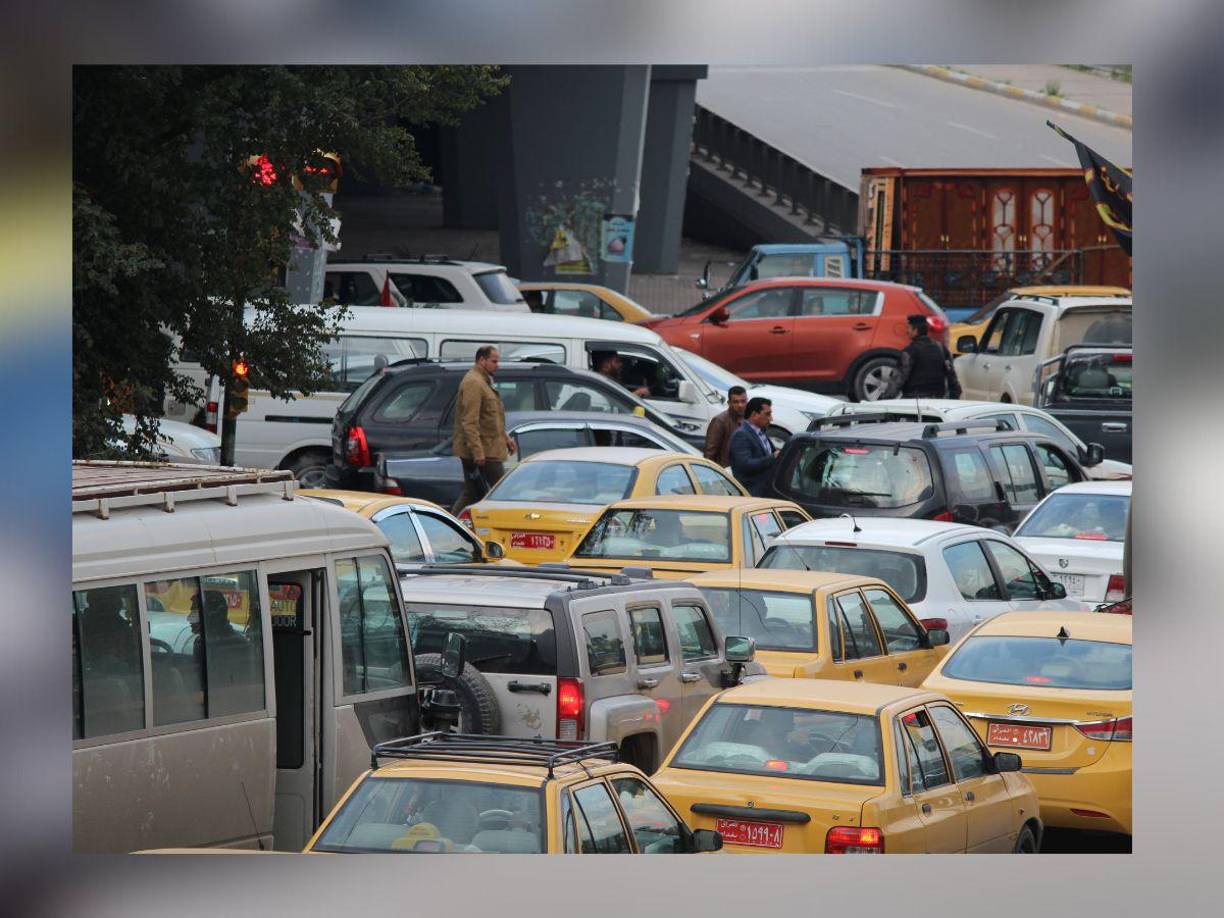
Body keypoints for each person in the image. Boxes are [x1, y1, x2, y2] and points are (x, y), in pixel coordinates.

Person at [452, 345, 516, 514]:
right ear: (481, 360)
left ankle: (456, 525)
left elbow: (490, 418)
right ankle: (454, 525)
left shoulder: (483, 381)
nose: (498, 365)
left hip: (490, 449)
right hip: (484, 453)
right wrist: (478, 452)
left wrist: (505, 438)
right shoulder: (473, 382)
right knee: (499, 492)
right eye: (494, 361)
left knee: (473, 493)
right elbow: (469, 421)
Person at [886, 314, 962, 399]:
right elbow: (952, 375)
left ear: (916, 331)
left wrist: (886, 399)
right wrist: (954, 396)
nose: (907, 331)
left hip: (914, 400)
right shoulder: (941, 348)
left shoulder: (910, 351)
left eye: (909, 328)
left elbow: (898, 378)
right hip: (938, 399)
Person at [729, 397, 778, 497]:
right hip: (751, 494)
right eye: (767, 414)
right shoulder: (741, 435)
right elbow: (745, 465)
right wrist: (772, 457)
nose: (771, 419)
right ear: (754, 415)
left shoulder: (761, 432)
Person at [704, 385, 748, 466]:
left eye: (743, 401)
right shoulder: (720, 421)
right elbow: (709, 453)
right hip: (726, 472)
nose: (740, 405)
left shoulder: (749, 418)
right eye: (736, 402)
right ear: (729, 403)